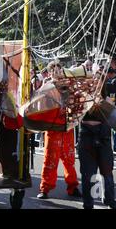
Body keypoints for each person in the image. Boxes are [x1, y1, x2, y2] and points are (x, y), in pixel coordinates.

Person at [37, 61, 82, 200]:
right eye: (54, 70)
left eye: (59, 70)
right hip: (52, 129)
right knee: (50, 159)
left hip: (66, 128)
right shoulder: (46, 87)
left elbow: (76, 104)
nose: (57, 73)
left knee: (69, 159)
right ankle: (45, 188)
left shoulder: (69, 86)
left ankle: (73, 186)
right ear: (50, 72)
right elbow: (40, 106)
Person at [78, 90, 116, 209]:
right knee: (88, 175)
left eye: (98, 78)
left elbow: (113, 115)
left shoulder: (107, 100)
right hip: (87, 138)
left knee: (107, 173)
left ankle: (110, 201)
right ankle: (89, 204)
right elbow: (73, 114)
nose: (95, 81)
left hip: (103, 138)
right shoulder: (81, 98)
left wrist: (103, 103)